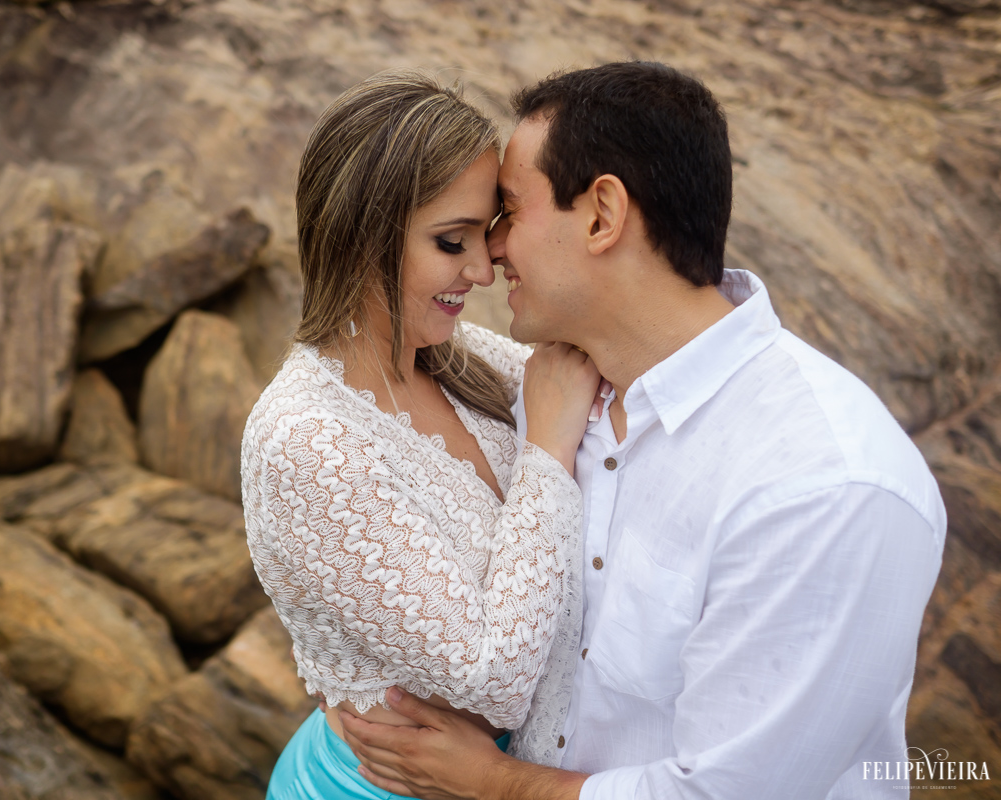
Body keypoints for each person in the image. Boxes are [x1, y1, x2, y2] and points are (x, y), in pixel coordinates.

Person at [340, 62, 947, 800]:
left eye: (509, 210)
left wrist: (496, 783)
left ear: (602, 215)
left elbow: (731, 793)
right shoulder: (545, 391)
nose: (491, 252)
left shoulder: (826, 484)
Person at [240, 69, 601, 800]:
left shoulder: (464, 361)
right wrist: (546, 452)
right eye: (449, 241)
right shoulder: (308, 441)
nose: (481, 270)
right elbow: (491, 680)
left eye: (487, 234)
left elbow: (594, 382)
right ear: (363, 237)